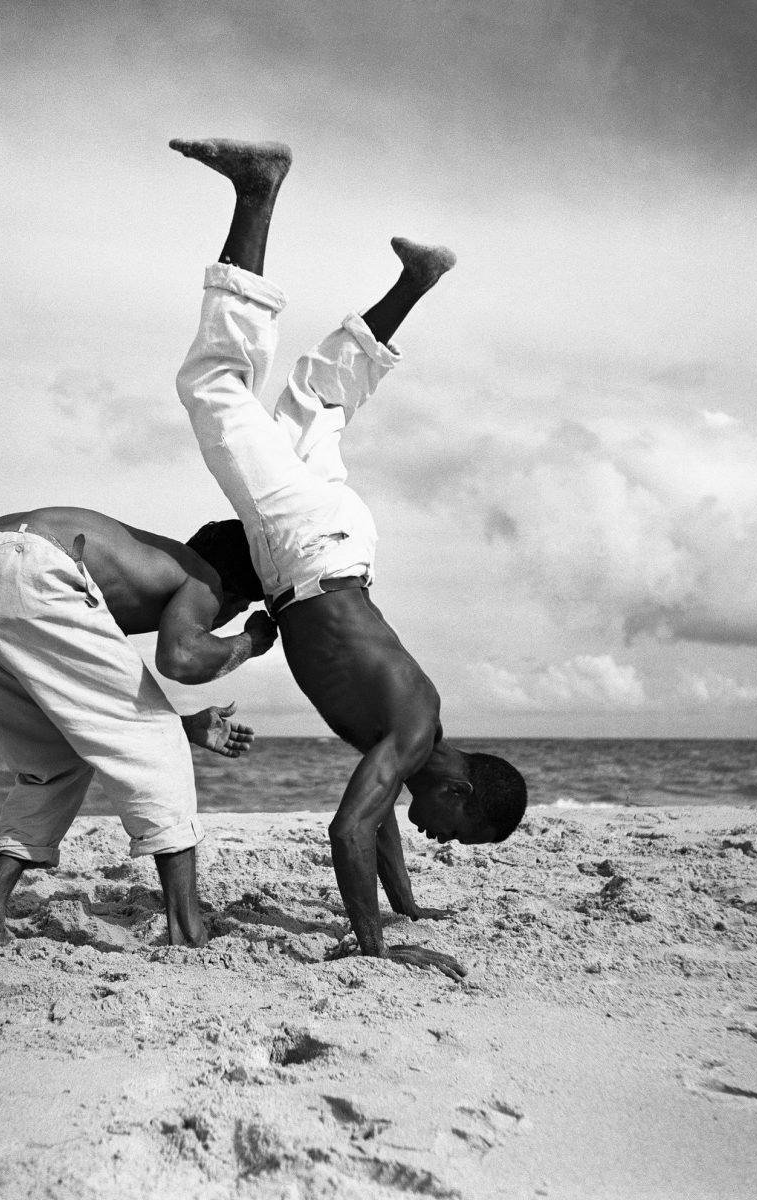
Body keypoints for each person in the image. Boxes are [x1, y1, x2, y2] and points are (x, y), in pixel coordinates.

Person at [171, 138, 527, 979]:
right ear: (462, 789)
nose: (445, 838)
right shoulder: (412, 727)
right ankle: (257, 191)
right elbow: (348, 828)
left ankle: (417, 278)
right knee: (216, 389)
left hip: (337, 543)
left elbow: (382, 819)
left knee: (315, 398)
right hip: (304, 551)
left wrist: (406, 907)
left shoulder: (413, 739)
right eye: (460, 830)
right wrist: (378, 950)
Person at [0, 505, 277, 954]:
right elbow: (181, 657)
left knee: (51, 760)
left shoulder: (145, 571)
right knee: (159, 752)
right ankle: (189, 932)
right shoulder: (205, 577)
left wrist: (180, 724)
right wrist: (250, 643)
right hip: (29, 565)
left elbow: (92, 712)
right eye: (239, 606)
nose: (224, 616)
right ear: (235, 590)